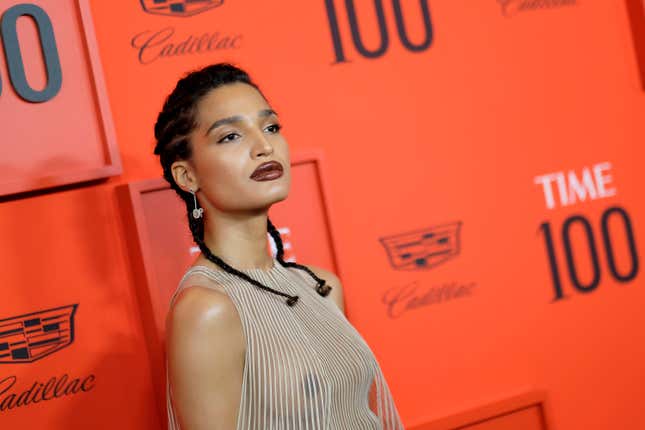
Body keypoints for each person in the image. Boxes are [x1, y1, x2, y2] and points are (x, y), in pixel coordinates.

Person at [153, 63, 405, 429]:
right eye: (230, 137)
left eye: (270, 127)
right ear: (187, 176)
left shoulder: (323, 287)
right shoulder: (207, 310)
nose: (264, 146)